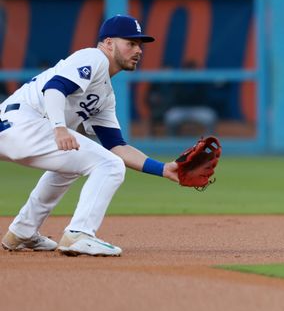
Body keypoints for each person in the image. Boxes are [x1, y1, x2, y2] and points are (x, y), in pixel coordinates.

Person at [1, 14, 180, 256]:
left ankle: (22, 232)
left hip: (15, 129)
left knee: (73, 165)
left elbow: (116, 145)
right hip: (25, 123)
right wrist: (59, 127)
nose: (138, 50)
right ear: (108, 43)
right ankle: (79, 234)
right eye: (130, 43)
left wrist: (163, 169)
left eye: (140, 45)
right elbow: (55, 87)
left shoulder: (105, 95)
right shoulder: (93, 57)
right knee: (110, 166)